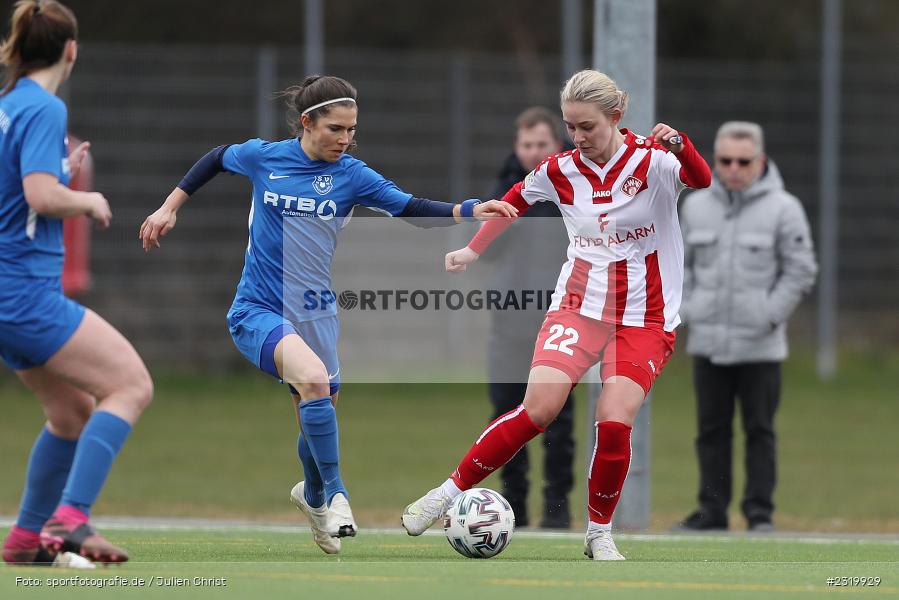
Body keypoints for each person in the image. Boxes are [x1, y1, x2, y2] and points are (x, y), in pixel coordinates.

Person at [138, 75, 516, 555]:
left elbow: (410, 208)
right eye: (336, 129)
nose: (345, 139)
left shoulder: (353, 175)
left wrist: (467, 210)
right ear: (306, 123)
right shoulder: (265, 157)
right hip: (258, 309)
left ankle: (313, 495)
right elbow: (216, 157)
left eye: (352, 130)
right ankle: (337, 497)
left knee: (317, 415)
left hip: (315, 313)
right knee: (314, 381)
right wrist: (170, 207)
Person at [401, 69, 712, 561]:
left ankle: (598, 535)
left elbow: (702, 178)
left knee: (613, 422)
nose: (578, 136)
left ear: (615, 116)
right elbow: (513, 203)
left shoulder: (653, 162)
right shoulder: (559, 170)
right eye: (571, 126)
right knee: (539, 410)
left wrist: (681, 145)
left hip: (645, 319)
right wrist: (473, 250)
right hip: (579, 308)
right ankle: (446, 492)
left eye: (587, 126)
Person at [1, 0, 153, 567]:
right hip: (25, 294)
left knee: (70, 413)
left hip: (6, 294)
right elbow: (41, 197)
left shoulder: (7, 106)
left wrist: (59, 177)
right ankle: (70, 520)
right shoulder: (43, 108)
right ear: (71, 50)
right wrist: (83, 197)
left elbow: (19, 194)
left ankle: (24, 538)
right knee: (131, 385)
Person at [675, 121, 817, 532]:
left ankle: (759, 513)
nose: (734, 168)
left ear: (761, 160)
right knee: (710, 431)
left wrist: (768, 315)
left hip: (761, 345)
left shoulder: (784, 209)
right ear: (715, 160)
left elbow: (800, 270)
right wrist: (690, 308)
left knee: (760, 431)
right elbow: (677, 264)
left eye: (743, 161)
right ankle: (712, 511)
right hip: (708, 341)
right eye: (725, 161)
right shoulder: (695, 205)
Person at [482, 107, 574, 529]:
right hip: (509, 322)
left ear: (556, 145)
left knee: (558, 418)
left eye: (542, 145)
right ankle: (512, 506)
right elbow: (486, 252)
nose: (535, 153)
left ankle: (557, 507)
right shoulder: (505, 193)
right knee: (506, 413)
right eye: (527, 145)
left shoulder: (575, 189)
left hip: (561, 323)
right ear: (516, 147)